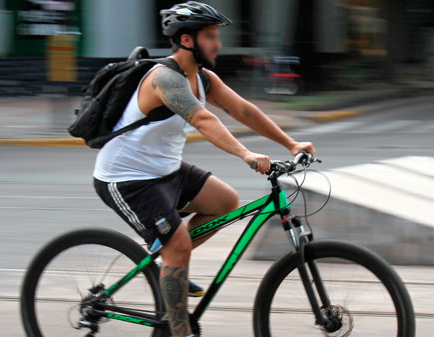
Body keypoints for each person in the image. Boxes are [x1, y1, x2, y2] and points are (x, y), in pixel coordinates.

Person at [93, 2, 315, 336]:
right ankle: (179, 330)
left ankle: (170, 261)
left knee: (224, 201)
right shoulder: (164, 79)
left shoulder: (202, 78)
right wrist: (245, 153)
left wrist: (290, 144)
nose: (217, 44)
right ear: (186, 41)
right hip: (127, 179)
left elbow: (244, 110)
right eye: (210, 36)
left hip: (165, 171)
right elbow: (203, 119)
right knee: (178, 246)